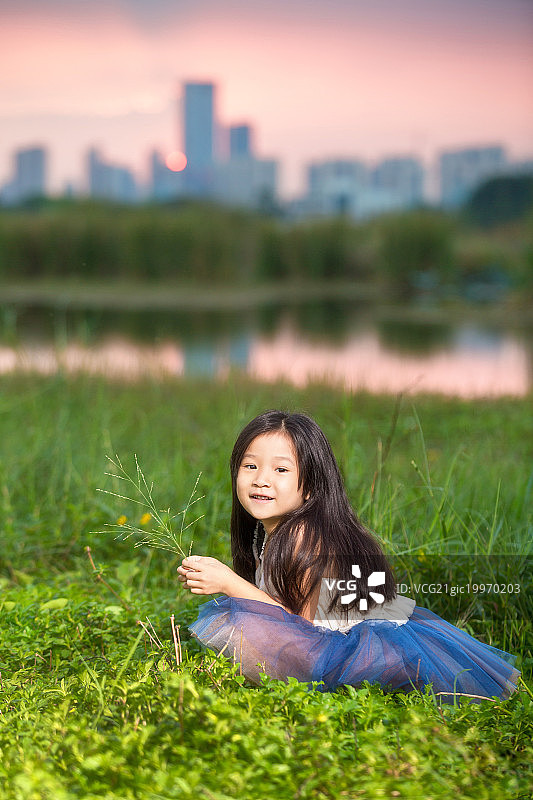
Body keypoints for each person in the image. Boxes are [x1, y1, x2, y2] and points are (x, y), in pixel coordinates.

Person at [177, 410, 520, 702]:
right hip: (344, 637)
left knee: (242, 615)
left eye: (281, 470)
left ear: (310, 486)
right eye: (250, 466)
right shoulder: (270, 532)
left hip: (367, 649)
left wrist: (229, 583)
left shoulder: (302, 535)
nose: (262, 480)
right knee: (245, 613)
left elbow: (303, 630)